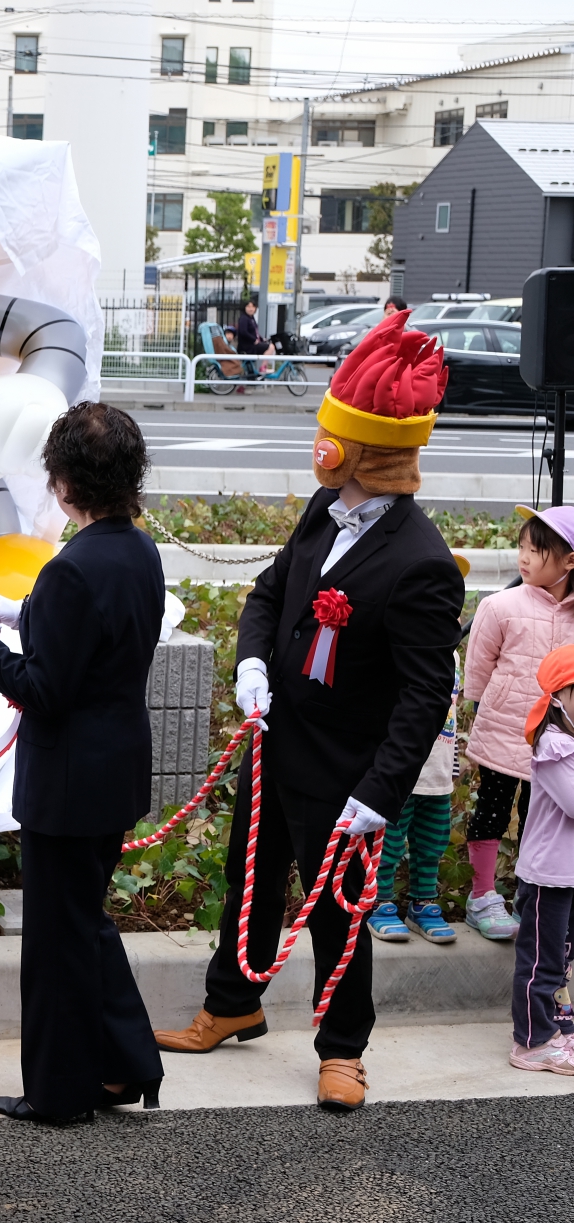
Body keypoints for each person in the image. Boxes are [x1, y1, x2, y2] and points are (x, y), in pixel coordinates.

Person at [152, 311, 464, 1111]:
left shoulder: (423, 561)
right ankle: (233, 1001)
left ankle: (343, 1047)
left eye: (330, 431)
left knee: (338, 911)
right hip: (276, 739)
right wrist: (252, 660)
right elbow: (267, 593)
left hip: (347, 769)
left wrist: (380, 791)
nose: (317, 440)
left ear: (361, 450)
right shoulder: (320, 510)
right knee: (247, 880)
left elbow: (428, 691)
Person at [0, 401, 167, 1123]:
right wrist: (31, 614)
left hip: (67, 779)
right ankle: (121, 1065)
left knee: (58, 940)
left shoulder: (70, 570)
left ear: (62, 482)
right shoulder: (138, 550)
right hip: (115, 768)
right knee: (83, 921)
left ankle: (59, 1094)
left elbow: (45, 687)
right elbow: (99, 638)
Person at [455, 506, 574, 941]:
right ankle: (482, 895)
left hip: (559, 740)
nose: (523, 558)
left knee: (537, 816)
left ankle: (530, 896)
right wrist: (483, 705)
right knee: (492, 808)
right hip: (505, 729)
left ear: (569, 561)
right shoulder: (500, 605)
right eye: (521, 547)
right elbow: (479, 666)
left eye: (535, 550)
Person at [508, 647, 574, 1074]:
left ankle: (559, 1028)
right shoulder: (553, 746)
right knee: (541, 960)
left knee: (563, 955)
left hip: (568, 875)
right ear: (560, 696)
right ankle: (532, 1041)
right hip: (549, 876)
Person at [367, 661, 461, 945]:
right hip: (402, 774)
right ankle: (379, 901)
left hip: (438, 775)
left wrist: (451, 766)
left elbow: (450, 716)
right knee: (390, 842)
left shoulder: (452, 656)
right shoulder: (405, 647)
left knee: (432, 843)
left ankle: (423, 903)